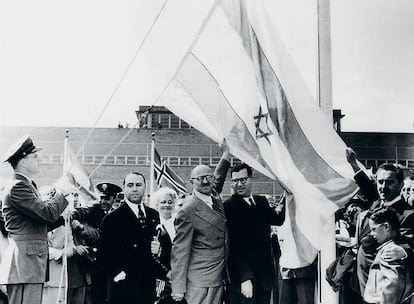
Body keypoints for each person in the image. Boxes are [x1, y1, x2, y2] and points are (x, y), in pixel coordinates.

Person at [0, 135, 69, 304]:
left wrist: (63, 216)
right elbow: (46, 213)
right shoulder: (18, 187)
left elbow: (37, 222)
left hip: (28, 263)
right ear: (23, 161)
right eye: (35, 156)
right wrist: (60, 192)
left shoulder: (25, 185)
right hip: (25, 263)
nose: (40, 159)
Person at [346, 148, 414, 296]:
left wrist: (402, 250)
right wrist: (353, 164)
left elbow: (408, 243)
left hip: (383, 283)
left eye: (389, 182)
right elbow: (366, 185)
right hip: (361, 278)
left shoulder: (408, 214)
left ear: (401, 185)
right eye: (380, 182)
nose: (383, 187)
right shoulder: (378, 202)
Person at [170, 141, 231, 304]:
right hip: (200, 281)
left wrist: (226, 154)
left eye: (208, 178)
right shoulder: (188, 208)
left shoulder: (214, 195)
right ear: (192, 182)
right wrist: (178, 287)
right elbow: (180, 249)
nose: (205, 182)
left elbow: (219, 177)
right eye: (200, 179)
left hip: (218, 275)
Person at [100, 172, 166, 304]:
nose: (135, 189)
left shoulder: (153, 215)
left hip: (148, 282)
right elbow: (105, 254)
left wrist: (159, 249)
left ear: (145, 187)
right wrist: (119, 275)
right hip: (124, 286)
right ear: (124, 189)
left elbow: (159, 244)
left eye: (138, 185)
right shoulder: (112, 219)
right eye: (130, 185)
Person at [224, 163, 285, 304]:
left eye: (243, 180)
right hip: (244, 278)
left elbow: (277, 220)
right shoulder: (229, 207)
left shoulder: (261, 201)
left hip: (264, 277)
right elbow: (235, 246)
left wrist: (287, 196)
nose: (239, 184)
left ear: (251, 179)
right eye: (235, 181)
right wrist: (245, 278)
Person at [364, 207, 414, 304]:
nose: (372, 234)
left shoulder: (391, 251)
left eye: (374, 229)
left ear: (386, 226)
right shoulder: (391, 246)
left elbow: (392, 286)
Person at [150, 187, 180, 304]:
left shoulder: (180, 224)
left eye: (170, 202)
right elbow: (152, 256)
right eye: (163, 202)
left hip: (180, 275)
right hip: (161, 276)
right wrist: (167, 273)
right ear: (157, 205)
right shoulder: (153, 226)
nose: (166, 205)